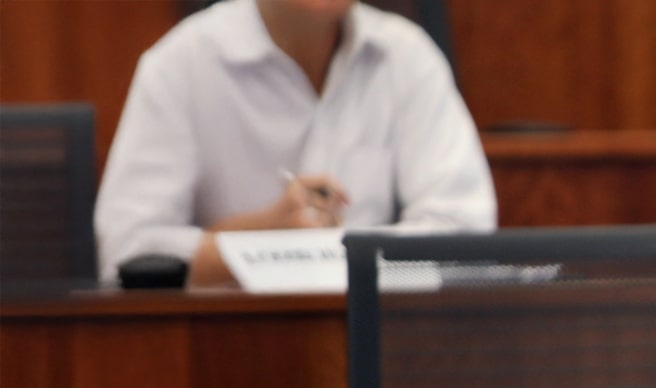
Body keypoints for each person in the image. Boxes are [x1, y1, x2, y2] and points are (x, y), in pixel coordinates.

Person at [94, 0, 497, 287]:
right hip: (223, 356)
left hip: (387, 349)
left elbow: (467, 233)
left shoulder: (408, 56)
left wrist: (322, 253)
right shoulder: (179, 65)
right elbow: (129, 252)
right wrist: (264, 236)